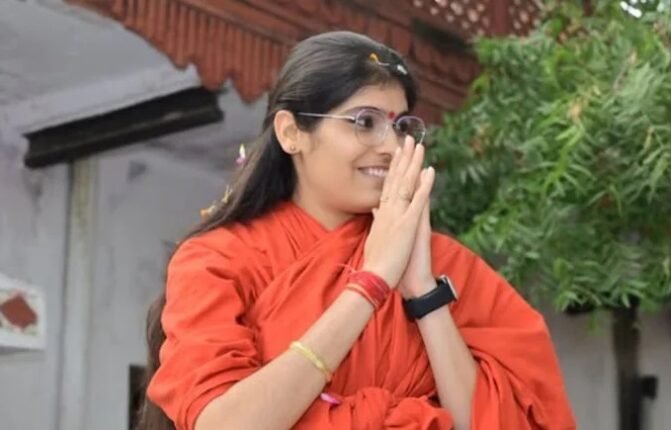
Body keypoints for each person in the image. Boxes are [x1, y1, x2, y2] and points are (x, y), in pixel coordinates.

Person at [140, 31, 576, 430]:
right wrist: (372, 281)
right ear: (291, 133)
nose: (391, 146)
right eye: (365, 122)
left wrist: (424, 293)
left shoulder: (443, 263)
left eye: (401, 126)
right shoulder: (219, 259)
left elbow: (502, 421)